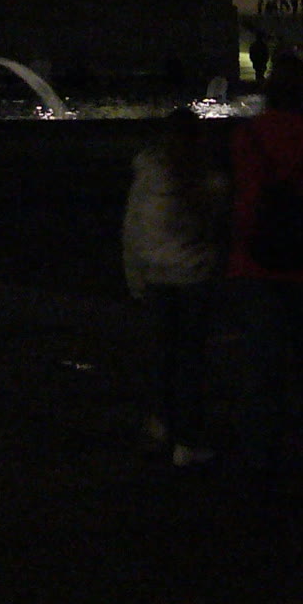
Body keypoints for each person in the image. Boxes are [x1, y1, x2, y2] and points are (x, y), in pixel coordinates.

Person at [228, 52, 303, 470]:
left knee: (261, 367)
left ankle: (260, 454)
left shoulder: (247, 136)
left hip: (256, 262)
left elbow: (243, 198)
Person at [122, 107, 228, 466]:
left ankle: (159, 426)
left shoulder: (148, 177)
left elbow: (132, 230)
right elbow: (216, 228)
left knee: (161, 357)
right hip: (194, 277)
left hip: (156, 277)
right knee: (190, 360)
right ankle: (187, 439)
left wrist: (135, 277)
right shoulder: (208, 180)